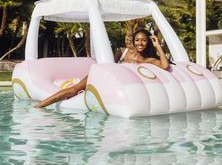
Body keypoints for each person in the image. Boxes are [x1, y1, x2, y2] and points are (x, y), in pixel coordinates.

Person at [34, 28, 169, 108]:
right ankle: (38, 107)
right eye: (137, 40)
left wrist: (158, 46)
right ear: (133, 41)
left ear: (148, 42)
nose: (140, 43)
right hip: (102, 77)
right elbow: (107, 65)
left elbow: (165, 65)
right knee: (73, 90)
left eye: (144, 40)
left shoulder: (148, 60)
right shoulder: (123, 51)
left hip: (117, 88)